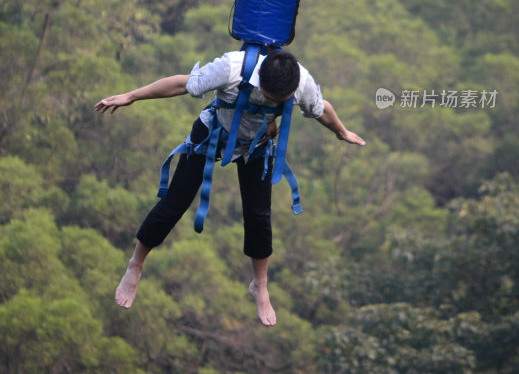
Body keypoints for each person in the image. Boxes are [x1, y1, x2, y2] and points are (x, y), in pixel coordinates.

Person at [94, 49, 365, 326]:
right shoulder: (230, 69)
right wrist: (131, 96)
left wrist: (341, 132)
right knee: (174, 202)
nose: (276, 103)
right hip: (213, 133)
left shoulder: (301, 84)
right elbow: (180, 84)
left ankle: (260, 285)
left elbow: (323, 109)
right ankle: (136, 264)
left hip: (256, 146)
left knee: (259, 217)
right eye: (272, 98)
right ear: (260, 80)